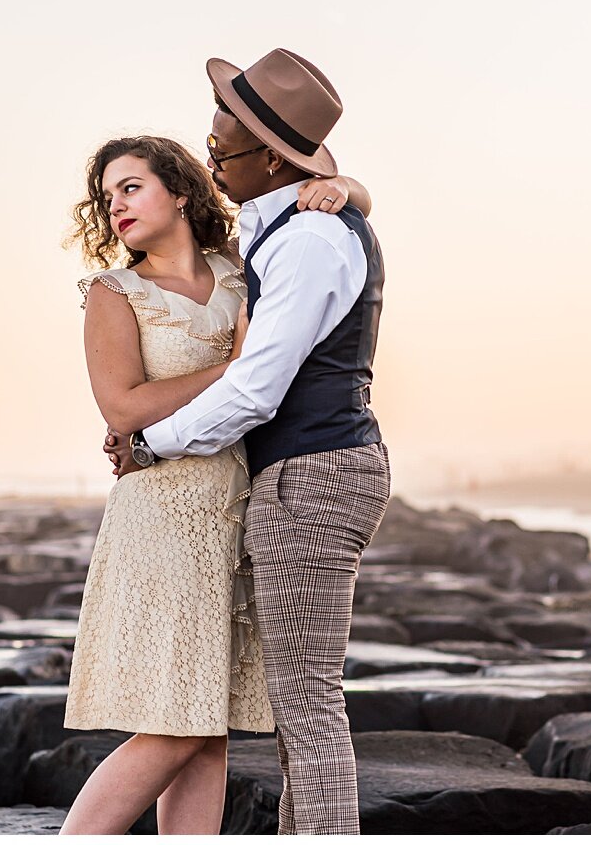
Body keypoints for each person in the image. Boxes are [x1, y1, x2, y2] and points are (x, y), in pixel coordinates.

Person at [110, 49, 390, 835]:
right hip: (317, 470)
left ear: (272, 157)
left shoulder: (306, 242)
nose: (209, 163)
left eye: (220, 150)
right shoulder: (289, 225)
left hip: (314, 474)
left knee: (308, 706)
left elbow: (255, 387)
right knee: (304, 704)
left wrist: (153, 443)